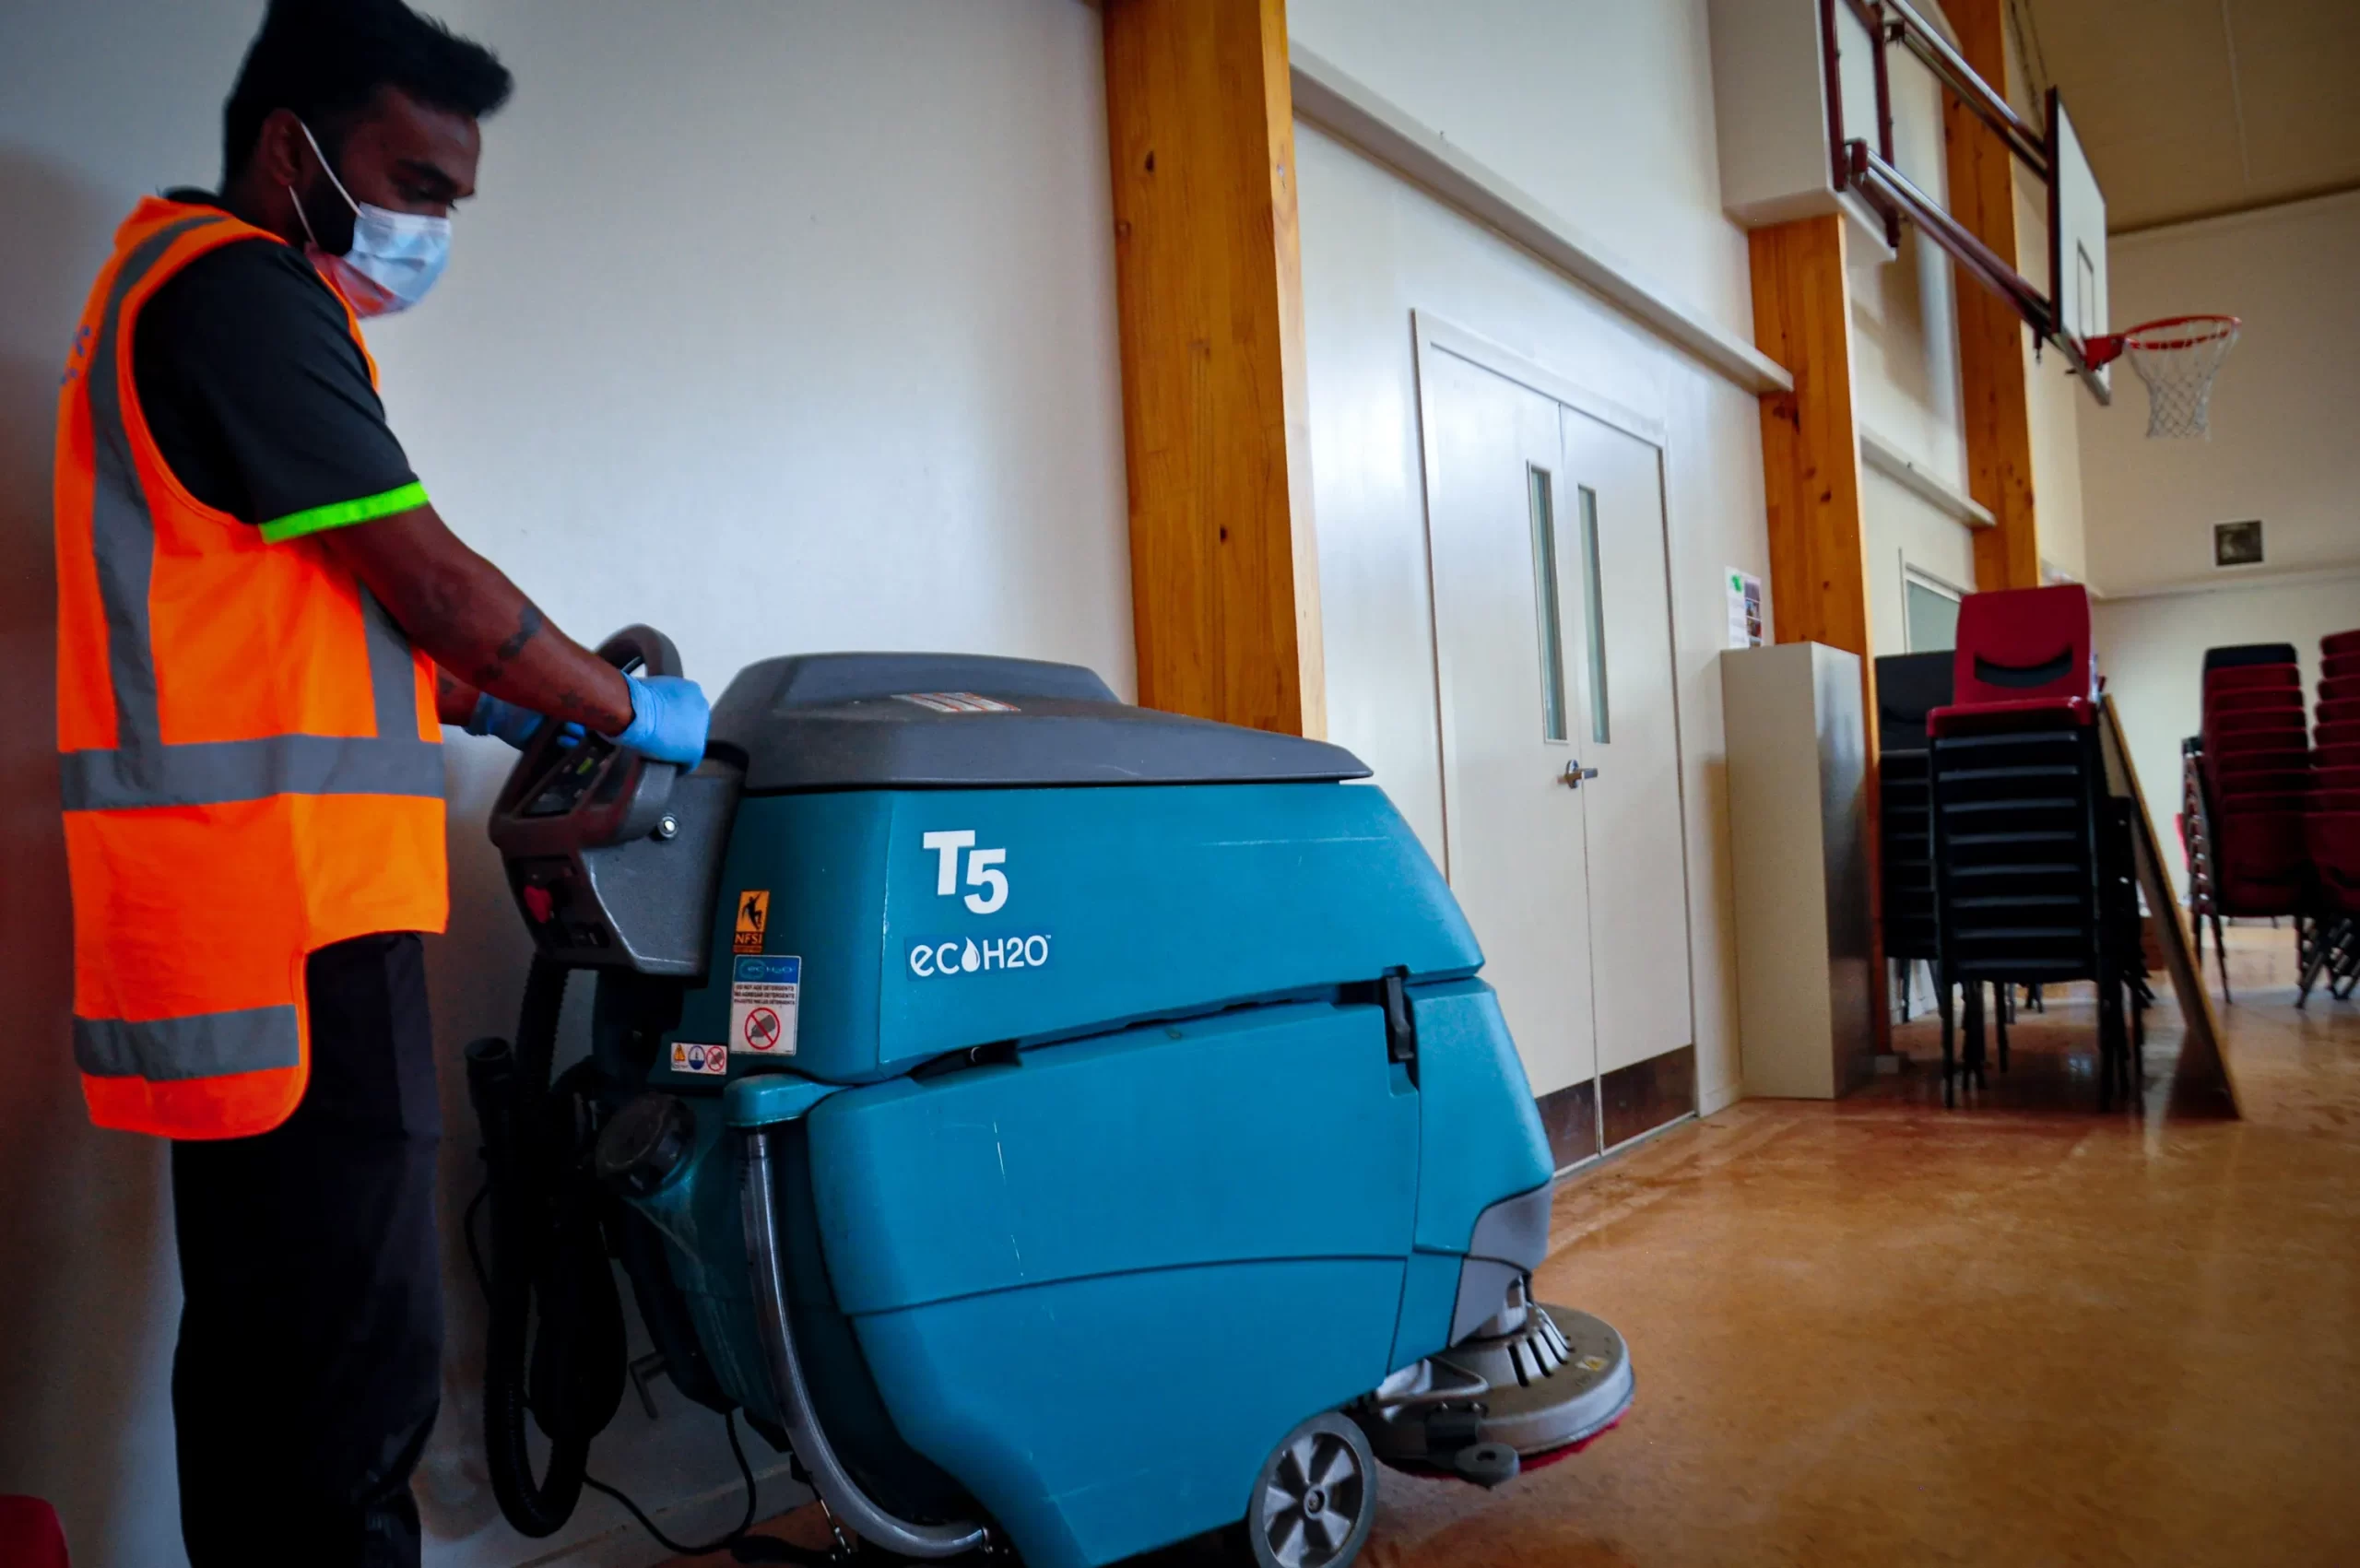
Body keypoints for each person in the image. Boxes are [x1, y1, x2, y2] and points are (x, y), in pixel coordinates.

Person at [51, 2, 709, 1562]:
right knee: (350, 1376)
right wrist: (628, 707)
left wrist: (497, 707)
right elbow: (430, 581)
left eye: (453, 202)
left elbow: (326, 611)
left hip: (244, 922)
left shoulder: (195, 293)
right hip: (290, 925)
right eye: (414, 184)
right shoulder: (237, 294)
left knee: (269, 1350)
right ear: (292, 151)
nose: (431, 229)